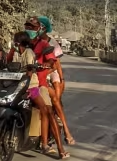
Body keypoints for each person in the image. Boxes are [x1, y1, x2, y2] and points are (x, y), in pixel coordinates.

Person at [25, 17, 69, 159]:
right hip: (20, 83)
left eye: (32, 27)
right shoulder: (21, 42)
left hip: (38, 84)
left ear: (39, 29)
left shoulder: (44, 44)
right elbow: (8, 58)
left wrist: (47, 64)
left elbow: (52, 61)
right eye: (28, 27)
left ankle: (58, 148)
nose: (30, 30)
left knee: (48, 111)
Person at [37, 16, 75, 146]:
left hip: (50, 71)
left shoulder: (52, 43)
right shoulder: (33, 41)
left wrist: (60, 77)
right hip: (38, 71)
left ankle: (66, 130)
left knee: (55, 99)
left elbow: (56, 63)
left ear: (44, 28)